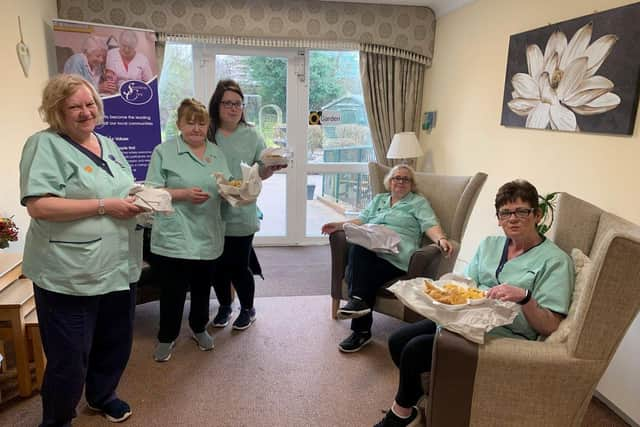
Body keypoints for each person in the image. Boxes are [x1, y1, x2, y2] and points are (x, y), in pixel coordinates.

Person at [373, 179, 575, 427]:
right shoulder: (490, 245)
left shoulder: (556, 261)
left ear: (537, 215)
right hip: (464, 321)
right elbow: (466, 286)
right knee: (397, 341)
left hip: (503, 335)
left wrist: (524, 297)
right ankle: (424, 400)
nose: (513, 218)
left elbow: (551, 325)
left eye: (522, 211)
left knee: (416, 350)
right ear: (499, 218)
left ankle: (400, 414)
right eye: (506, 213)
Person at [19, 74, 144, 426]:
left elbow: (123, 186)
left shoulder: (108, 143)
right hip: (68, 271)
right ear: (57, 111)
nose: (85, 112)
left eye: (90, 104)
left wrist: (142, 198)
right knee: (68, 358)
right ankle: (57, 419)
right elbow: (39, 205)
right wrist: (105, 205)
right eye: (74, 106)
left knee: (114, 342)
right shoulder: (43, 145)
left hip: (119, 262)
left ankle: (103, 395)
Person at [321, 164, 452, 353]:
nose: (400, 181)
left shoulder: (417, 202)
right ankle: (359, 309)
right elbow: (362, 220)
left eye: (405, 179)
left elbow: (429, 224)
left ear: (411, 184)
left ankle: (361, 327)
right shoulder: (379, 199)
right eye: (396, 178)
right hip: (372, 250)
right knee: (358, 250)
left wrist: (441, 239)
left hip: (397, 257)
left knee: (357, 273)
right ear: (389, 182)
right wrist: (338, 225)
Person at [145, 98, 231, 362]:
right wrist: (181, 193)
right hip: (176, 234)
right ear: (179, 124)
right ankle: (166, 336)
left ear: (208, 125)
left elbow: (225, 185)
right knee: (173, 289)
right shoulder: (165, 151)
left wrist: (236, 192)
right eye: (190, 122)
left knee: (203, 287)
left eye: (201, 123)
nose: (196, 128)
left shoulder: (217, 153)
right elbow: (150, 191)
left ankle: (198, 328)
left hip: (208, 231)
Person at [207, 79, 285, 331]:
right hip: (211, 212)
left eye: (238, 104)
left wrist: (272, 167)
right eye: (228, 103)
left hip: (242, 211)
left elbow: (260, 171)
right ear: (217, 105)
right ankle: (225, 307)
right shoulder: (207, 132)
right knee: (217, 267)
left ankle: (248, 308)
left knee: (239, 266)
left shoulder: (251, 134)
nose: (233, 108)